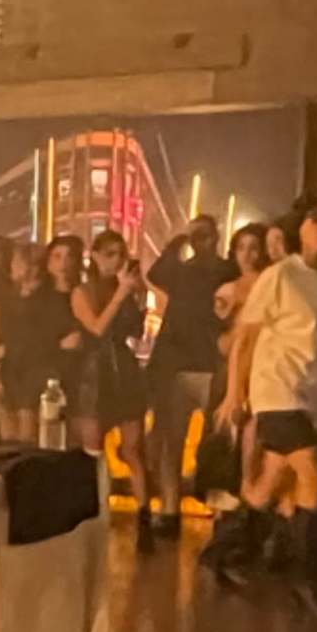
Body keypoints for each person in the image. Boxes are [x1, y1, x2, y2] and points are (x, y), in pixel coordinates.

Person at [210, 192, 317, 592]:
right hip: (277, 389)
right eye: (315, 220)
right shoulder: (280, 276)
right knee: (312, 470)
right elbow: (245, 336)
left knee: (270, 479)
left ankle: (227, 549)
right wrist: (234, 394)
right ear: (299, 229)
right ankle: (304, 572)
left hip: (315, 391)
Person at [140, 212, 227, 539]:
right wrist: (177, 241)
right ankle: (170, 509)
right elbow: (156, 271)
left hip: (208, 365)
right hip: (175, 366)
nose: (199, 241)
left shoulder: (225, 270)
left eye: (204, 235)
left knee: (215, 442)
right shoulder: (182, 271)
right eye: (195, 236)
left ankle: (218, 509)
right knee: (169, 444)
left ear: (216, 238)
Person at [70, 226, 148, 485]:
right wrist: (122, 293)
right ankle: (94, 510)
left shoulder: (125, 286)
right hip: (94, 371)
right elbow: (97, 328)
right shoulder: (83, 291)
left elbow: (136, 331)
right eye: (109, 254)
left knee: (132, 449)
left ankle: (144, 513)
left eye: (120, 255)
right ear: (95, 256)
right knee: (93, 450)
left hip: (124, 367)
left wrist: (140, 296)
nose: (116, 260)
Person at [0, 237, 71, 443]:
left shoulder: (50, 297)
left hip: (37, 370)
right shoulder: (11, 297)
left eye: (16, 262)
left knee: (28, 435)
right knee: (8, 436)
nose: (11, 267)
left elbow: (50, 335)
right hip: (11, 369)